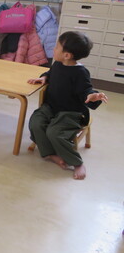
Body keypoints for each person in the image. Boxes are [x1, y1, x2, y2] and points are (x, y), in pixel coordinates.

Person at [28, 31, 107, 180]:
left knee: (54, 132)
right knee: (35, 123)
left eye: (57, 47)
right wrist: (44, 78)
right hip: (51, 107)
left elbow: (86, 90)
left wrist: (92, 95)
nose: (54, 49)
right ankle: (50, 153)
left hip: (71, 113)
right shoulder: (58, 63)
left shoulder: (80, 72)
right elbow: (51, 73)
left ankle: (77, 163)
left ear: (67, 55)